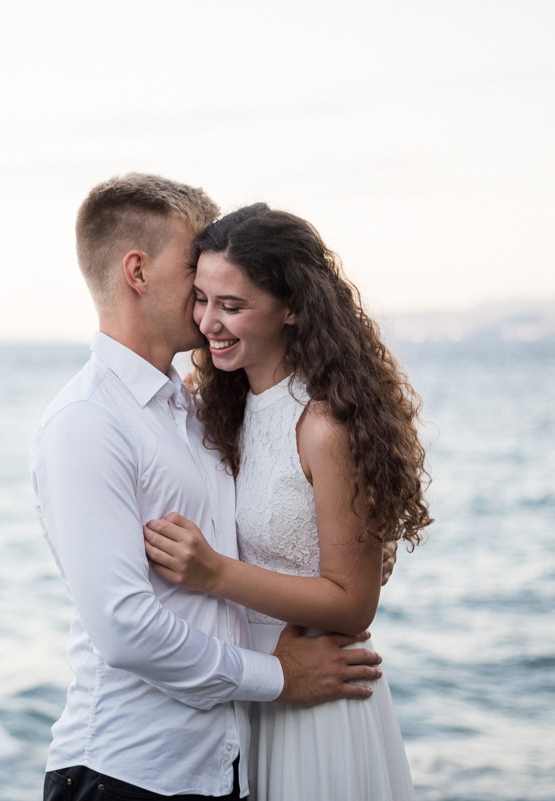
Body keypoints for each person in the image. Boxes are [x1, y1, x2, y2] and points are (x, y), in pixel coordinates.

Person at [32, 176, 386, 801]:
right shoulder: (88, 422)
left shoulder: (197, 412)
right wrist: (277, 676)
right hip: (129, 772)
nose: (205, 301)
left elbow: (235, 579)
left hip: (226, 764)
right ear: (137, 271)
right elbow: (123, 627)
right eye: (193, 272)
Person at [143, 203, 432, 800]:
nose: (209, 323)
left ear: (293, 306)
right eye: (202, 299)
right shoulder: (221, 404)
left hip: (319, 704)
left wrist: (214, 573)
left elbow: (354, 604)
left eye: (233, 305)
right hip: (253, 694)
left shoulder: (324, 424)